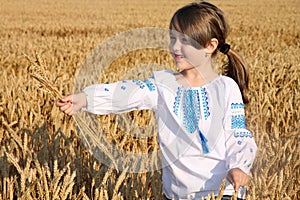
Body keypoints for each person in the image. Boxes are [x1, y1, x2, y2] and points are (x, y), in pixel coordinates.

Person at [56, 1, 257, 200]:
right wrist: (85, 98)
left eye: (185, 41)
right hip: (178, 194)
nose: (175, 47)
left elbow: (237, 133)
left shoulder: (225, 87)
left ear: (210, 46)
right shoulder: (163, 85)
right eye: (173, 38)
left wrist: (239, 166)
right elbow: (126, 93)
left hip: (222, 192)